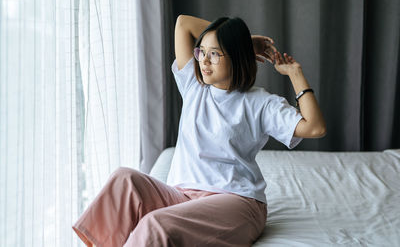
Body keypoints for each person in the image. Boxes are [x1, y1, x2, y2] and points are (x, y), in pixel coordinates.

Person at [72, 14, 326, 247]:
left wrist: (295, 74)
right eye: (201, 51)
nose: (204, 60)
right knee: (123, 179)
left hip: (236, 202)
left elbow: (314, 127)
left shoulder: (260, 103)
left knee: (155, 224)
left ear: (236, 58)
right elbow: (183, 23)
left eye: (215, 54)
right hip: (182, 197)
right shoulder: (194, 87)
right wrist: (243, 42)